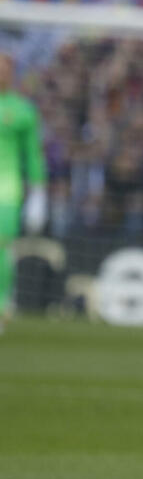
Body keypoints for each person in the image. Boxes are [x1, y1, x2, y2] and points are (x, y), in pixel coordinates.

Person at [0, 52, 48, 330]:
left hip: (6, 189)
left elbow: (33, 154)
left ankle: (2, 305)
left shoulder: (22, 110)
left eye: (3, 68)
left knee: (1, 248)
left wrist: (38, 194)